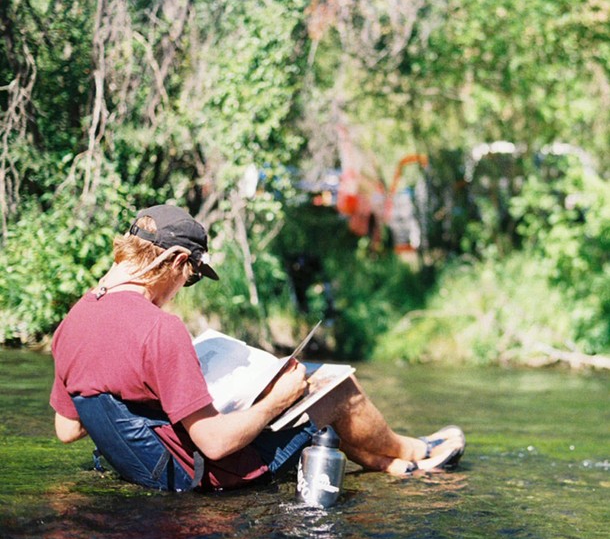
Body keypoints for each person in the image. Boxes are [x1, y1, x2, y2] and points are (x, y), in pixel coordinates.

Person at [50, 204, 465, 493]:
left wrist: (137, 403)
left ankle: (387, 461)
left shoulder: (72, 322)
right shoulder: (161, 329)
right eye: (190, 277)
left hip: (149, 465)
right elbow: (212, 444)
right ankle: (414, 451)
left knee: (295, 390)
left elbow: (67, 429)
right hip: (198, 475)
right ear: (176, 261)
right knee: (333, 387)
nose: (180, 291)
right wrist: (275, 402)